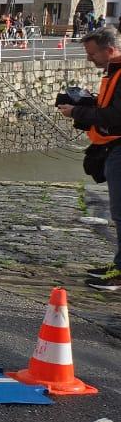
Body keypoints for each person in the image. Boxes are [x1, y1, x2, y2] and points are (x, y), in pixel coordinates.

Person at [58, 26, 121, 291]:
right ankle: (119, 266)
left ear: (109, 50)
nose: (88, 59)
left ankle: (119, 274)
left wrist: (77, 112)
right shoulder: (114, 72)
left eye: (91, 53)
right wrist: (88, 105)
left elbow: (116, 118)